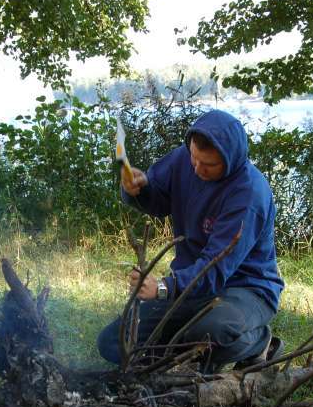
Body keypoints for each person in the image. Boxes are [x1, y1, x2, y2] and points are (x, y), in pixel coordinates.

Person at [96, 109, 284, 372]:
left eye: (208, 165)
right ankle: (185, 359)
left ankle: (259, 342)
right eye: (194, 159)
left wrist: (163, 288)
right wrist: (137, 188)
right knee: (114, 343)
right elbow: (158, 199)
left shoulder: (249, 194)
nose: (197, 169)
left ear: (230, 160)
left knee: (208, 333)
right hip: (190, 286)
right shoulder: (184, 158)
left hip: (245, 289)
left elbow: (215, 268)